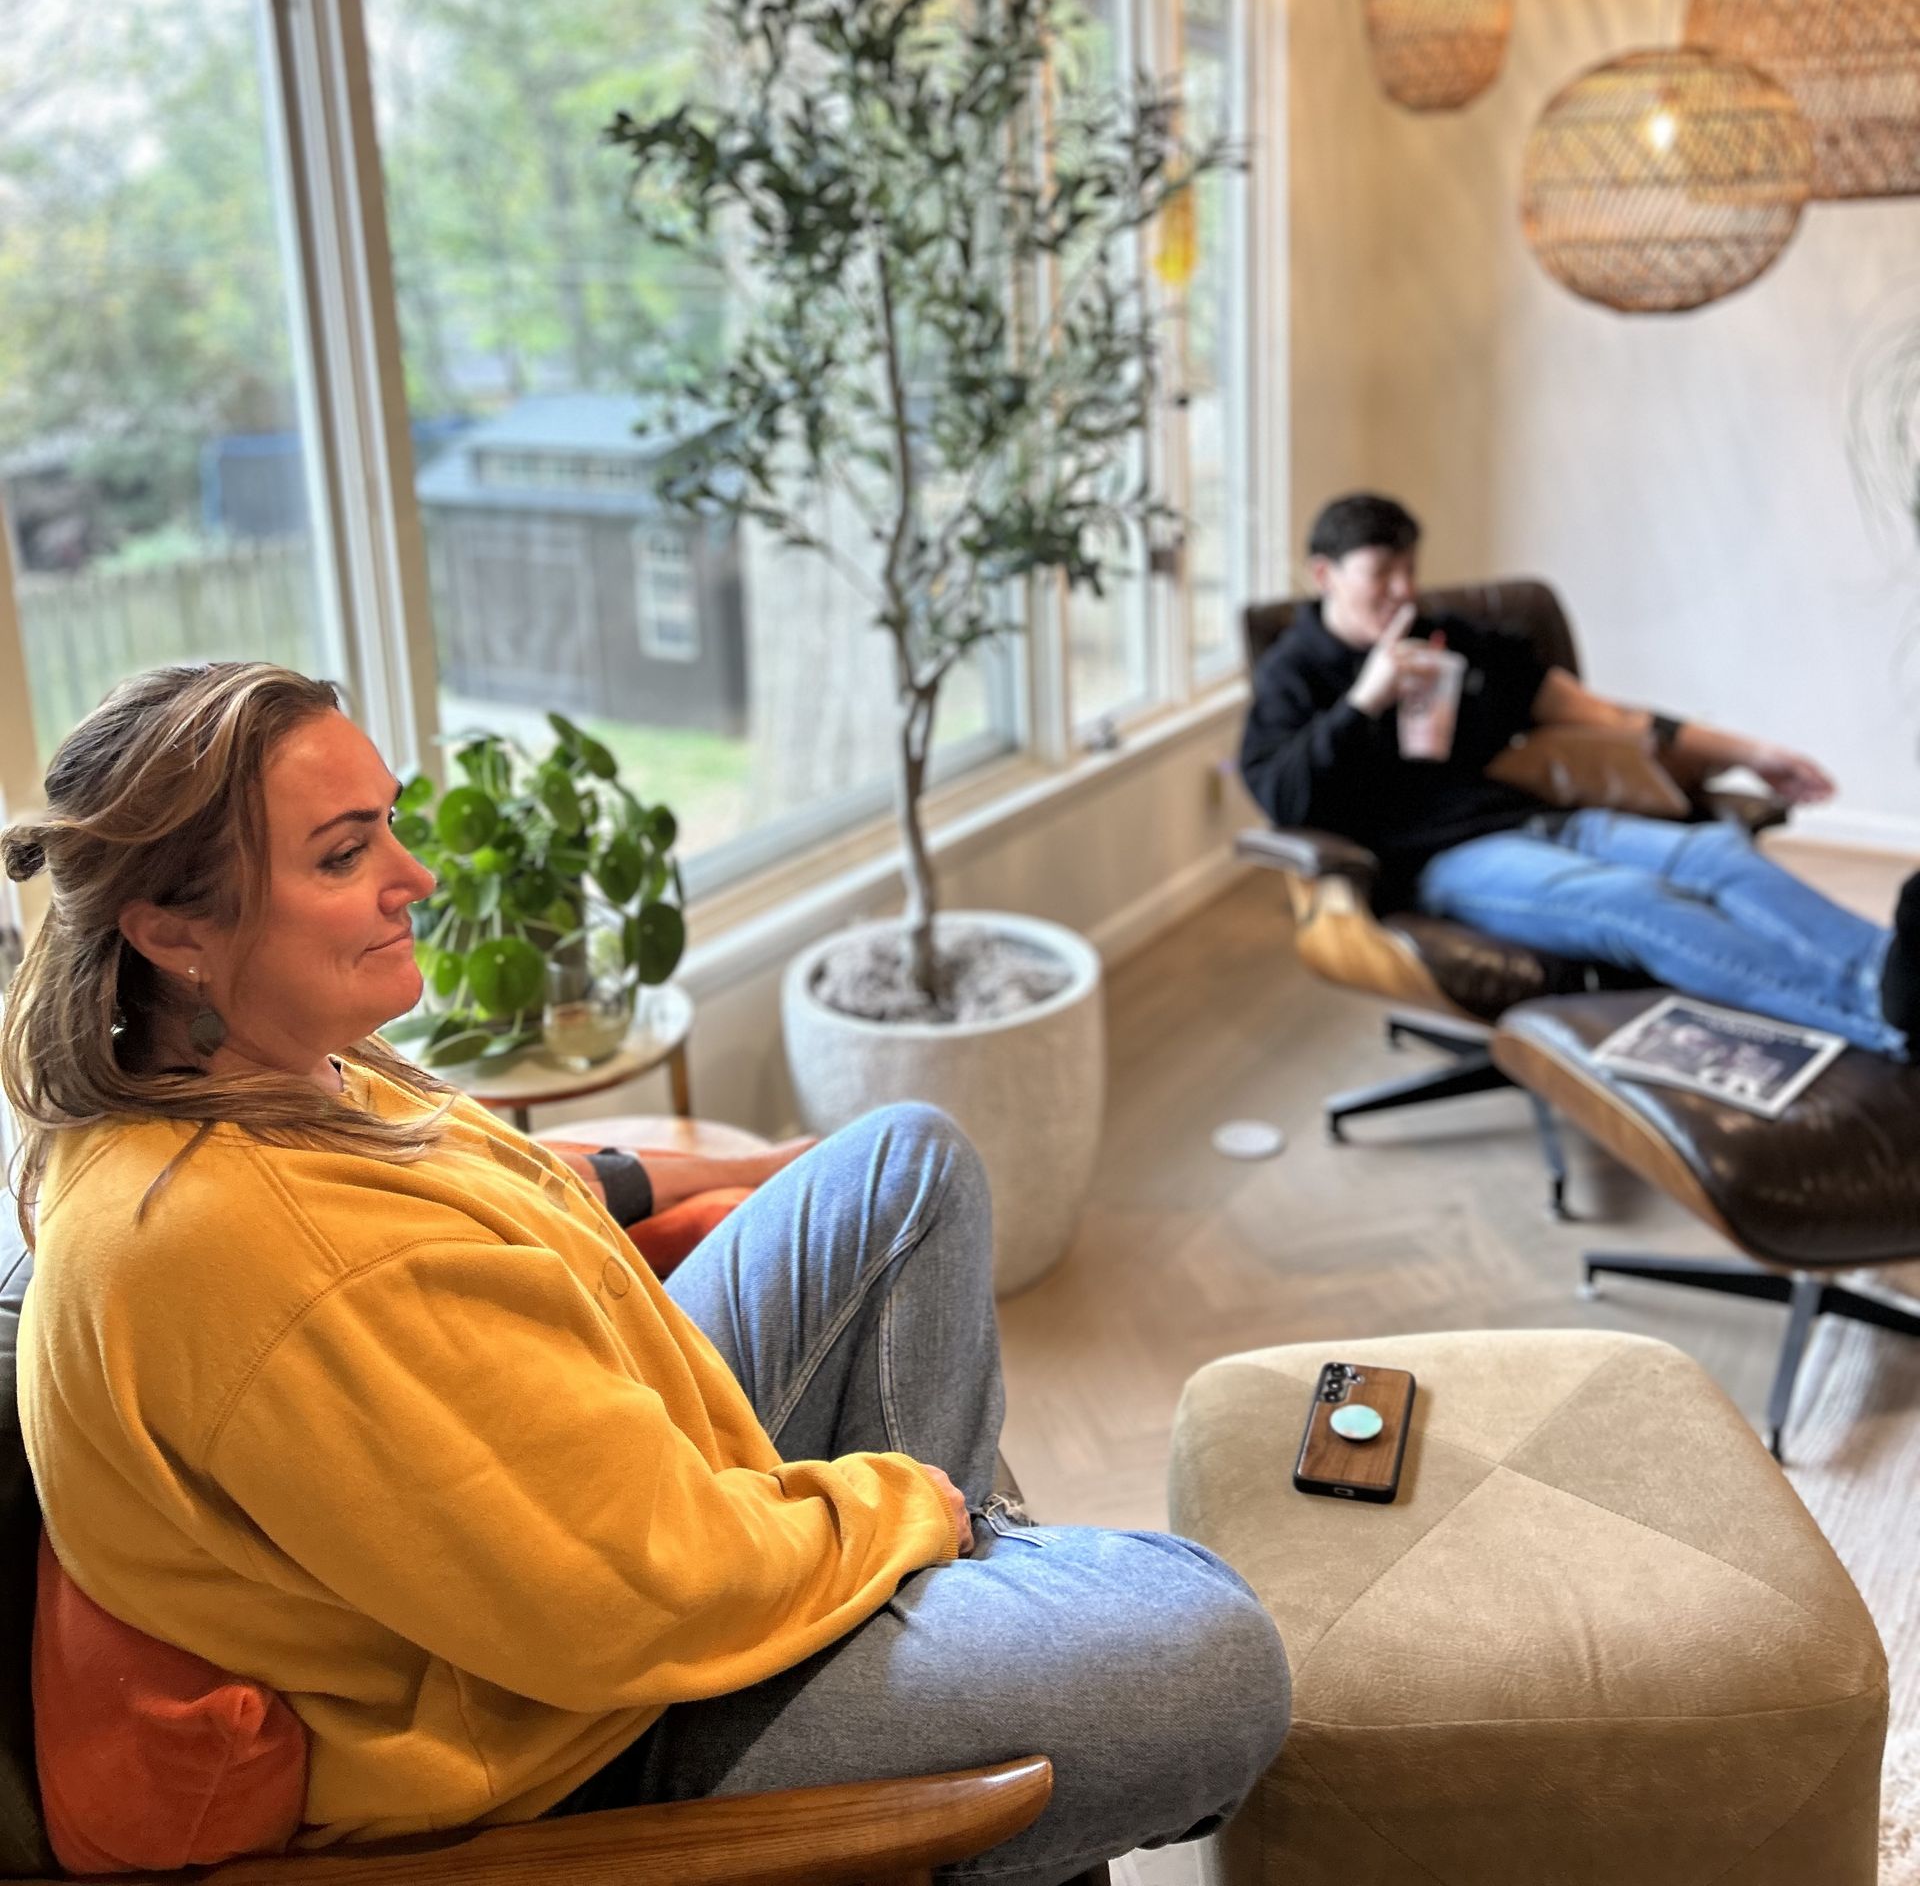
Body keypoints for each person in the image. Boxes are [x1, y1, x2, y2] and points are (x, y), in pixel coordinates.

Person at [1, 662, 1288, 1883]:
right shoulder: (253, 1250)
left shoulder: (274, 1066)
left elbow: (512, 1174)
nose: (418, 874)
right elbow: (625, 1598)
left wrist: (738, 1167)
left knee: (902, 1161)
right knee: (1211, 1655)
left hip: (606, 1512)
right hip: (582, 1728)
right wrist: (900, 1505)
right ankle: (929, 1705)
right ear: (174, 930)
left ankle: (939, 1643)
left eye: (389, 824)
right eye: (345, 855)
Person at [1239, 492, 1920, 1062]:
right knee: (1636, 899)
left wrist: (1747, 752)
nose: (1403, 591)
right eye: (1381, 573)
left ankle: (1899, 981)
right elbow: (1283, 795)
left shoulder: (1448, 639)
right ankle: (1881, 1029)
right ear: (1324, 574)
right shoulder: (1294, 674)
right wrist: (1366, 699)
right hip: (1439, 861)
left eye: (1410, 569)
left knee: (1713, 854)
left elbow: (1602, 715)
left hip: (1538, 817)